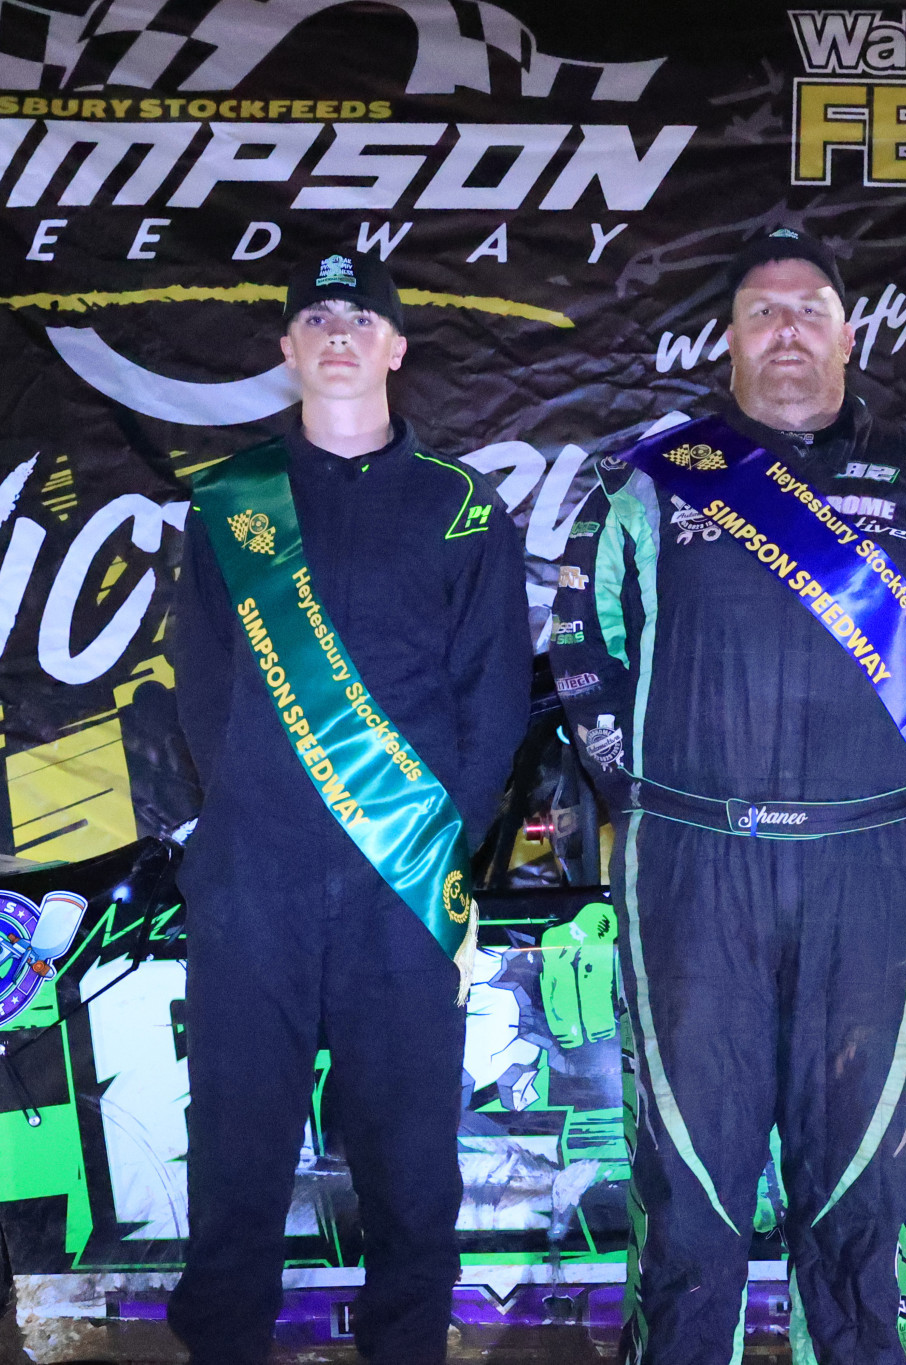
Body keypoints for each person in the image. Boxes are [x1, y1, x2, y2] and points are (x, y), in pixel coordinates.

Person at [549, 228, 906, 1365]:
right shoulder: (647, 479)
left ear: (848, 333)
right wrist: (643, 796)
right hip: (690, 866)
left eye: (810, 308)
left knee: (858, 1167)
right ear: (729, 339)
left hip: (872, 863)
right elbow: (579, 646)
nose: (787, 330)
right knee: (689, 1174)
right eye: (762, 311)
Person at [166, 252, 531, 1365]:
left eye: (358, 319)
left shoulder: (463, 507)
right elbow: (201, 685)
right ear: (285, 349)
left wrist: (432, 846)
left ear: (394, 349)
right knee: (236, 1151)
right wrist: (250, 823)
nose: (336, 334)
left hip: (404, 884)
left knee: (411, 1162)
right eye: (314, 318)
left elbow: (495, 694)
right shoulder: (229, 503)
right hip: (252, 887)